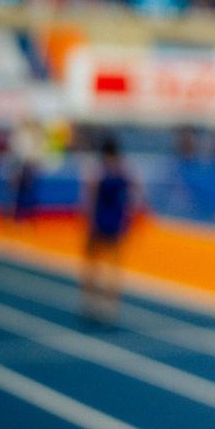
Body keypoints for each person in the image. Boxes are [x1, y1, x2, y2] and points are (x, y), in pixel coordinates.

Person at [80, 135, 136, 322]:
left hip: (100, 219)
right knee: (114, 264)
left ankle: (91, 300)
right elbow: (134, 196)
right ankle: (112, 304)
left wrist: (88, 220)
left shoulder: (98, 171)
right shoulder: (123, 170)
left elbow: (91, 197)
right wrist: (128, 218)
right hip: (116, 220)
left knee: (92, 261)